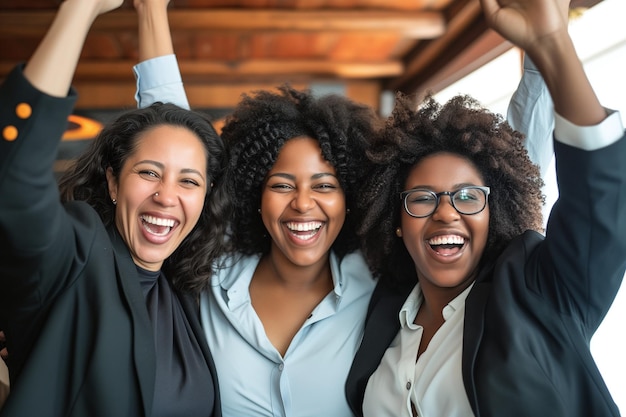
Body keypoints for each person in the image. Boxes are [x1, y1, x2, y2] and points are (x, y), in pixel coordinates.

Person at [131, 1, 557, 416]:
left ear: (351, 198)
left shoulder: (381, 282)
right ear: (253, 196)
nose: (302, 204)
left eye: (324, 185)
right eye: (281, 185)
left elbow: (502, 180)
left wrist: (541, 57)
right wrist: (150, 11)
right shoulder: (211, 275)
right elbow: (175, 146)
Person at [345, 0, 626, 415]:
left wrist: (552, 43)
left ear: (492, 213)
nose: (446, 213)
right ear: (397, 222)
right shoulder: (381, 314)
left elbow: (597, 196)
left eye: (467, 196)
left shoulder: (538, 294)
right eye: (422, 198)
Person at [0, 0, 230, 415]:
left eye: (189, 182)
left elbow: (175, 134)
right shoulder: (74, 258)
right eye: (147, 173)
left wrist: (151, 9)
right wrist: (80, 8)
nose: (167, 195)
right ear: (111, 180)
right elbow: (13, 180)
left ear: (205, 195)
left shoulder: (180, 287)